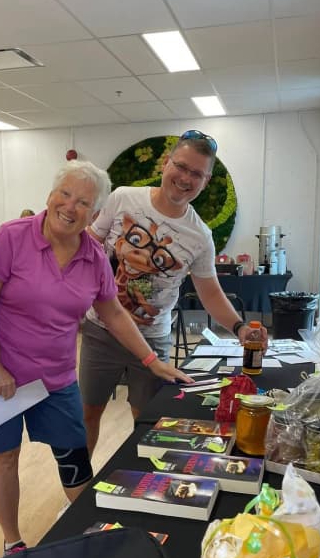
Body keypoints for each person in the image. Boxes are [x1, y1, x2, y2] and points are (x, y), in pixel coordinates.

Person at [0, 160, 191, 555]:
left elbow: (113, 313)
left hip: (53, 379)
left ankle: (98, 532)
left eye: (83, 202)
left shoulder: (93, 256)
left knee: (73, 454)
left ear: (96, 213)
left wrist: (151, 359)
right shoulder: (12, 237)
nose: (70, 206)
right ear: (50, 195)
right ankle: (12, 541)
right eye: (64, 194)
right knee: (4, 455)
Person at [80, 130, 268, 455]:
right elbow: (89, 245)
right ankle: (78, 489)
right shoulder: (123, 198)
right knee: (88, 414)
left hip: (153, 338)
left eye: (196, 173)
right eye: (180, 166)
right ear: (166, 164)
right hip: (102, 332)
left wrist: (239, 327)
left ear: (206, 181)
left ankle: (141, 488)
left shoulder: (200, 235)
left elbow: (209, 293)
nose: (185, 178)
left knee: (148, 420)